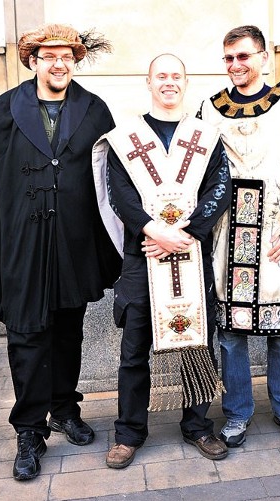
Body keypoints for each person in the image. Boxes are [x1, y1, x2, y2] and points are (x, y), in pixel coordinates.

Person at [0, 24, 121, 481]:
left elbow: (114, 180)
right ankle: (29, 429)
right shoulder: (4, 111)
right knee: (28, 335)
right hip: (22, 244)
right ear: (33, 60)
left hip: (73, 243)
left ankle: (64, 409)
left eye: (67, 56)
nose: (59, 64)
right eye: (49, 56)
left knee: (69, 329)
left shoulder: (94, 110)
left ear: (75, 60)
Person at [92, 53, 232, 469]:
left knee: (197, 343)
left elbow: (219, 190)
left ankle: (198, 427)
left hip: (192, 254)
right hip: (142, 257)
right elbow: (120, 195)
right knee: (134, 350)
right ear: (148, 82)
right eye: (161, 76)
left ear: (185, 83)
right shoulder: (125, 138)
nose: (169, 82)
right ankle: (128, 434)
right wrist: (157, 232)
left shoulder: (205, 136)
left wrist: (183, 236)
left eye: (176, 76)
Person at [199, 25, 280, 447]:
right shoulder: (210, 108)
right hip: (229, 234)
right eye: (229, 58)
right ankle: (236, 414)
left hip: (276, 232)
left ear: (264, 58)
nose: (235, 65)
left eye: (244, 57)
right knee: (232, 334)